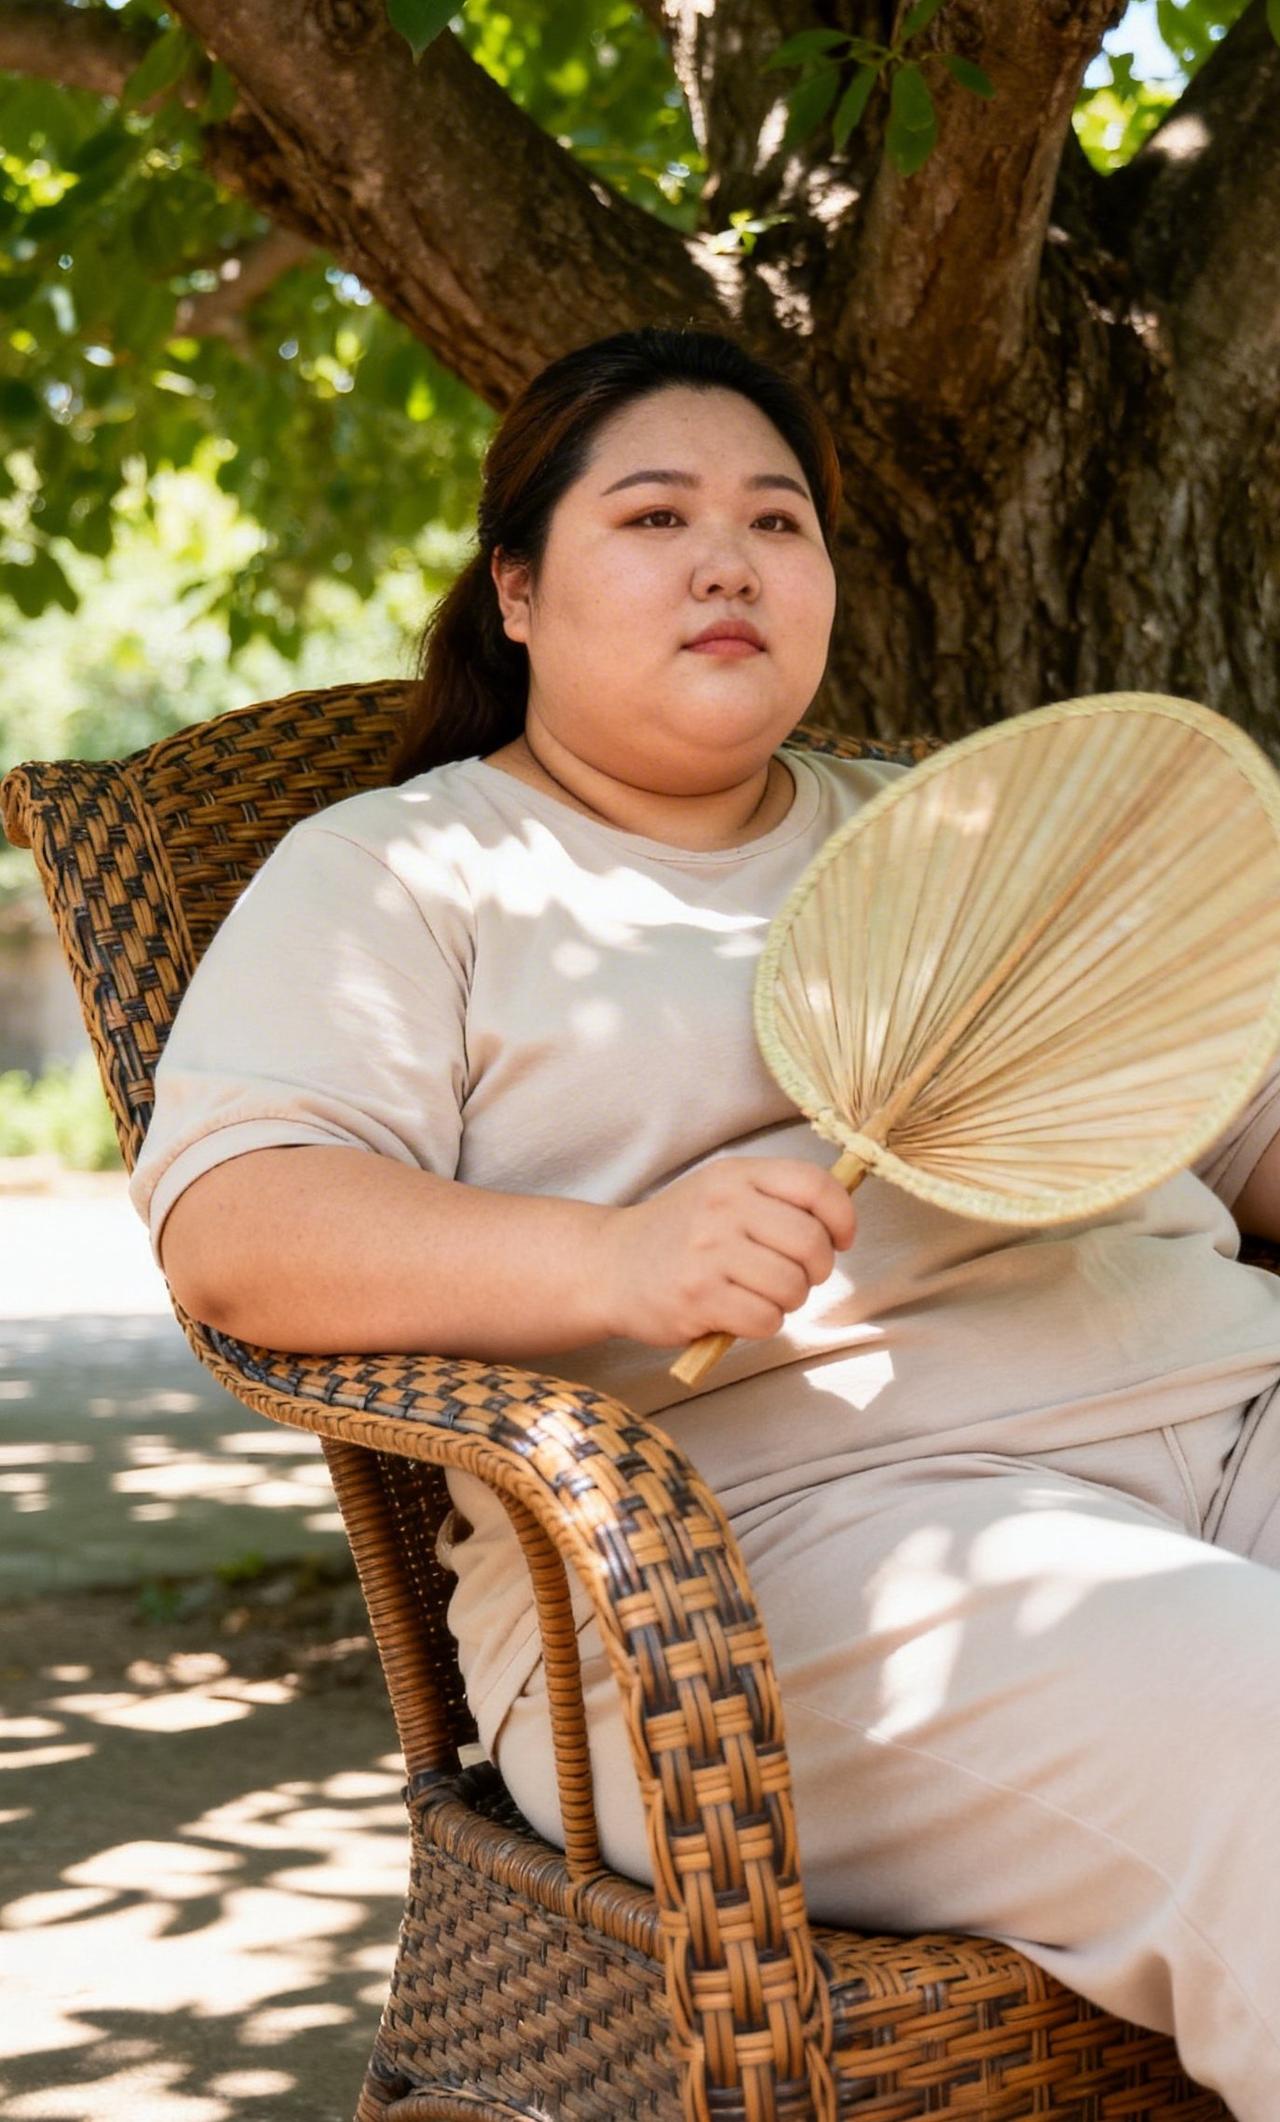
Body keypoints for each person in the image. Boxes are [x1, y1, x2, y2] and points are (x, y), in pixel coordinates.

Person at [128, 326, 1280, 2118]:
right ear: (516, 585)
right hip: (783, 1562)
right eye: (655, 515)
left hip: (1232, 1413)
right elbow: (238, 1226)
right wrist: (611, 1259)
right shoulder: (408, 871)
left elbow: (1238, 1124)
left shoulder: (942, 839)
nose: (729, 556)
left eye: (779, 519)